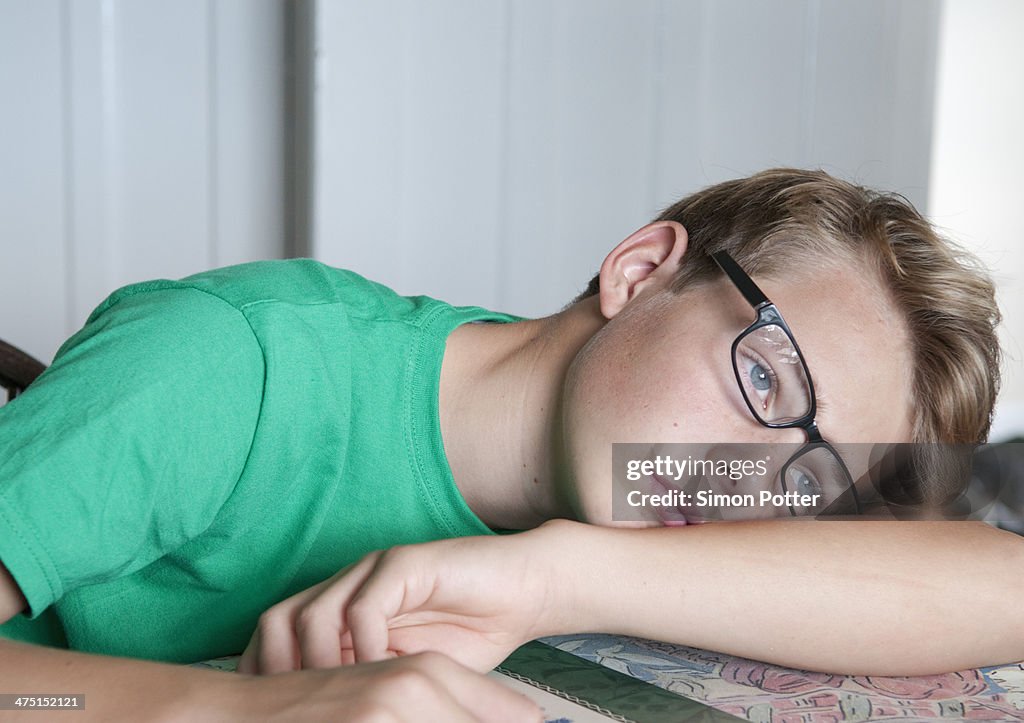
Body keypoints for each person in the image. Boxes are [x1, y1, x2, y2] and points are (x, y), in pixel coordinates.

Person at [0, 168, 1018, 721]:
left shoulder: (645, 521)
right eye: (763, 381)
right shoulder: (234, 361)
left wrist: (557, 575)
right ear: (641, 270)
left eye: (809, 477)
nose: (740, 485)